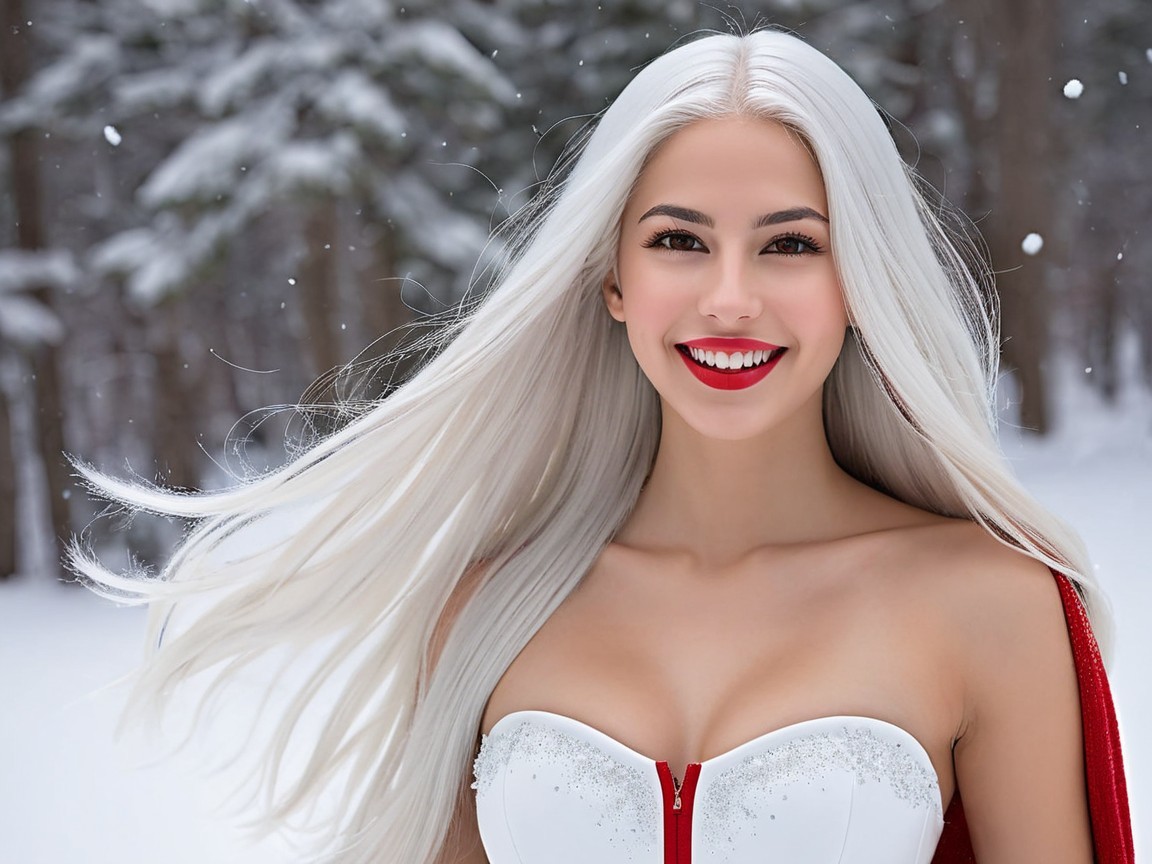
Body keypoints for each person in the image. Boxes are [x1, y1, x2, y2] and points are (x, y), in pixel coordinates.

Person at [75, 27, 1132, 864]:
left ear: (860, 283)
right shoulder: (489, 604)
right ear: (612, 280)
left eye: (790, 245)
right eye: (679, 240)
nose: (729, 298)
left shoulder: (989, 603)